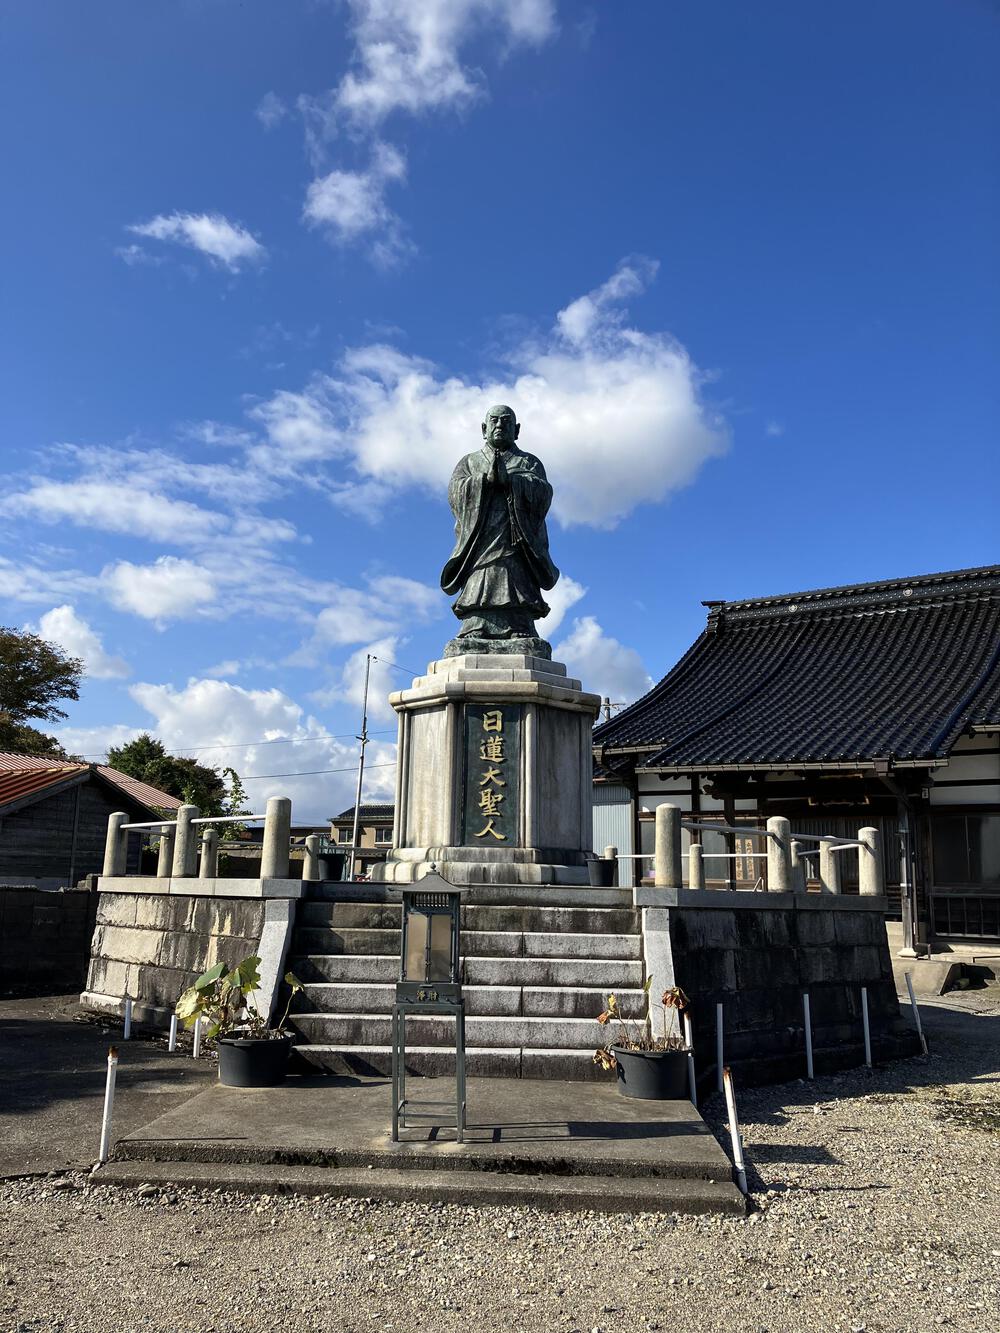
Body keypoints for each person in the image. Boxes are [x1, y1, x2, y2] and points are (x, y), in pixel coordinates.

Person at [440, 404, 559, 654]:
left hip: (516, 540)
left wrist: (513, 482)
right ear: (484, 428)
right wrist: (483, 482)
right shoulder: (469, 462)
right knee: (480, 576)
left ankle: (519, 624)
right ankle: (476, 624)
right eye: (494, 420)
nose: (499, 425)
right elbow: (455, 493)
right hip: (480, 540)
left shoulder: (529, 462)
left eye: (506, 421)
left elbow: (544, 493)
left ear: (517, 430)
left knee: (516, 576)